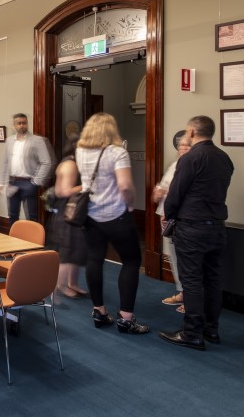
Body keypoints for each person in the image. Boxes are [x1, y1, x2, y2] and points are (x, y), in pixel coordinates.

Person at [159, 115, 235, 351]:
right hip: (217, 226)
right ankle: (211, 329)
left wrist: (168, 215)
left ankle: (191, 333)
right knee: (212, 280)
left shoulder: (191, 157)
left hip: (192, 227)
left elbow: (175, 193)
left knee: (191, 281)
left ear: (191, 131)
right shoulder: (224, 158)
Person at [76, 113, 148, 334]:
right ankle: (126, 318)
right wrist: (131, 203)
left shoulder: (80, 151)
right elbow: (125, 185)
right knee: (131, 261)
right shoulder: (117, 152)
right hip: (116, 214)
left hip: (91, 214)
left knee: (94, 260)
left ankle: (99, 311)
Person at [154, 131, 192, 313]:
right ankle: (182, 292)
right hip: (167, 220)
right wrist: (159, 192)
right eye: (181, 145)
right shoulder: (175, 165)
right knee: (174, 259)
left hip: (182, 219)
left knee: (187, 261)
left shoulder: (193, 166)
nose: (183, 148)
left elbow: (184, 195)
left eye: (187, 145)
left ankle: (192, 299)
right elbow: (161, 188)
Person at [0, 113, 53, 227]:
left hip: (28, 182)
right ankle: (12, 240)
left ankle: (33, 242)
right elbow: (4, 162)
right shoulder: (9, 141)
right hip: (12, 182)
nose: (22, 125)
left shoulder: (37, 140)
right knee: (12, 215)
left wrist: (36, 181)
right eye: (19, 123)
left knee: (31, 216)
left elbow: (46, 162)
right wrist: (1, 182)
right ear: (14, 125)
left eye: (24, 123)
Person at [48, 146, 88, 299]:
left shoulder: (73, 163)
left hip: (73, 212)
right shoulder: (69, 165)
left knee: (77, 250)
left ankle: (73, 283)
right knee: (68, 250)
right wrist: (86, 186)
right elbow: (63, 191)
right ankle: (61, 285)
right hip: (67, 212)